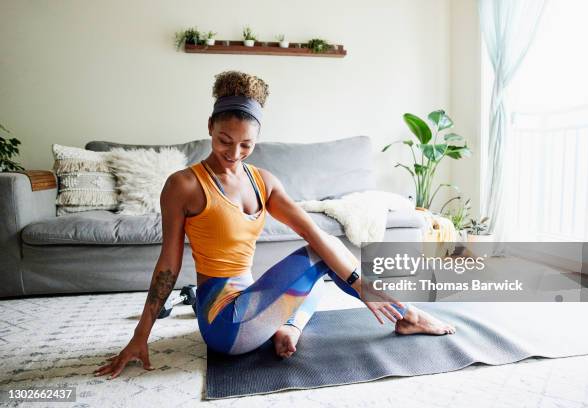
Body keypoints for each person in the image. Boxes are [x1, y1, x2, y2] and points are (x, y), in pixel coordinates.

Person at [94, 71, 456, 379]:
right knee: (320, 259)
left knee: (325, 268)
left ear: (257, 139)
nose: (233, 154)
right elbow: (168, 265)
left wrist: (361, 285)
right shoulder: (184, 184)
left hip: (249, 308)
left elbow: (315, 231)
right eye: (224, 141)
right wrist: (141, 334)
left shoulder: (263, 181)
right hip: (225, 323)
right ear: (210, 128)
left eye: (246, 145)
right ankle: (408, 315)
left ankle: (288, 328)